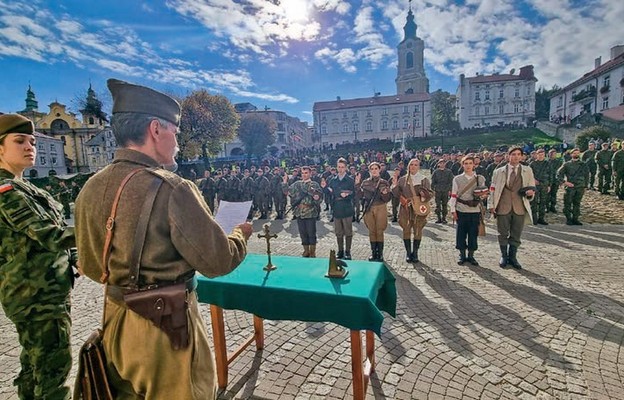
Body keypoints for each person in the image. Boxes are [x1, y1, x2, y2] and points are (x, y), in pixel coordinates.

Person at [74, 79, 253, 399]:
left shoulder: (90, 187)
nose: (178, 141)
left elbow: (89, 265)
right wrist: (239, 233)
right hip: (166, 330)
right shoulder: (173, 188)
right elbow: (218, 261)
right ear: (156, 129)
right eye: (176, 131)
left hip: (115, 320)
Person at [0, 114, 76, 399]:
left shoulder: (24, 188)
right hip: (36, 298)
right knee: (53, 374)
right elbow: (51, 236)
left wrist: (77, 256)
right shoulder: (6, 192)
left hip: (41, 293)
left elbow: (54, 234)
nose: (30, 146)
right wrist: (105, 228)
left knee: (34, 368)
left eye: (32, 141)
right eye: (19, 141)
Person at [489, 147, 536, 269]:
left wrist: (531, 194)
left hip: (519, 206)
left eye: (518, 154)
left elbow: (531, 187)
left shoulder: (527, 170)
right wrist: (491, 205)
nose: (516, 157)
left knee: (516, 233)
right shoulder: (498, 171)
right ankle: (504, 255)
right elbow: (492, 190)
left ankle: (513, 256)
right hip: (503, 206)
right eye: (513, 154)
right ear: (508, 156)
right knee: (502, 232)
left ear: (522, 156)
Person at [391, 158, 432, 263]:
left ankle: (415, 253)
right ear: (408, 166)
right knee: (406, 230)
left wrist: (424, 196)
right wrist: (395, 185)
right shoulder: (403, 179)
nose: (413, 167)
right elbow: (396, 194)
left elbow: (430, 194)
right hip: (406, 208)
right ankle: (409, 253)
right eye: (411, 165)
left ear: (419, 167)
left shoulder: (424, 179)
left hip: (418, 209)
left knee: (418, 230)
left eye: (415, 165)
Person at [449, 155, 487, 266]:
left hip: (475, 210)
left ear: (474, 165)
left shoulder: (480, 178)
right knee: (461, 233)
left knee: (473, 233)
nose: (468, 166)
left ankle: (471, 255)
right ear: (463, 165)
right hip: (461, 209)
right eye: (466, 163)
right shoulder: (457, 179)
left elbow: (483, 193)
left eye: (470, 163)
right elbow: (454, 195)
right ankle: (462, 254)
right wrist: (453, 210)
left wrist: (482, 196)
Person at [355, 162, 392, 261]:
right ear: (370, 170)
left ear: (379, 170)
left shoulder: (384, 182)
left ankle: (380, 254)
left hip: (380, 207)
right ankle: (373, 252)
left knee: (379, 231)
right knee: (371, 231)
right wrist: (357, 184)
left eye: (376, 168)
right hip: (369, 209)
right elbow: (360, 196)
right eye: (372, 169)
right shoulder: (365, 182)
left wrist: (384, 194)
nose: (374, 170)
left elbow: (387, 198)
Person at [283, 166, 323, 257]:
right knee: (303, 233)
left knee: (311, 233)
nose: (304, 175)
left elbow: (319, 199)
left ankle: (312, 252)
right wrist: (285, 182)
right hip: (299, 212)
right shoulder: (297, 184)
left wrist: (316, 197)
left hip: (310, 212)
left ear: (310, 173)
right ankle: (306, 251)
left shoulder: (314, 185)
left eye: (306, 173)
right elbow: (288, 192)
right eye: (303, 173)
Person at [322, 158, 355, 259]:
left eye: (342, 167)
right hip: (336, 207)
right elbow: (329, 192)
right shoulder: (333, 180)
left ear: (346, 168)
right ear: (336, 167)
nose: (340, 169)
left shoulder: (350, 180)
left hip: (346, 207)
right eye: (339, 167)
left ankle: (347, 251)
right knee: (338, 232)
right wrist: (324, 187)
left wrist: (347, 195)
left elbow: (354, 193)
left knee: (348, 231)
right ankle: (340, 251)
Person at [557, 148, 590, 225]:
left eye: (577, 153)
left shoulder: (583, 164)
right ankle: (568, 218)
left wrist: (585, 186)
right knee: (567, 203)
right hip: (570, 187)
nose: (576, 155)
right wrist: (565, 182)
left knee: (577, 203)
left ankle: (575, 218)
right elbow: (558, 174)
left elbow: (587, 175)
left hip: (580, 187)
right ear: (571, 154)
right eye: (574, 153)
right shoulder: (567, 164)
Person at [529, 148, 550, 225]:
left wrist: (549, 185)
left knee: (543, 202)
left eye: (542, 155)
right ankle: (534, 219)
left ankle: (541, 218)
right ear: (536, 155)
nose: (541, 156)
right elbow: (528, 174)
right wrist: (533, 180)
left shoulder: (547, 163)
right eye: (539, 155)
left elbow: (551, 175)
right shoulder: (532, 164)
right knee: (534, 202)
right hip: (535, 186)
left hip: (544, 185)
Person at [430, 159, 454, 224]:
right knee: (438, 205)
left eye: (443, 163)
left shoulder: (449, 172)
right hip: (438, 190)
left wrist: (450, 190)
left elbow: (451, 182)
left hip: (445, 190)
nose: (442, 164)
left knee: (444, 205)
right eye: (441, 163)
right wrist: (433, 190)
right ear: (438, 164)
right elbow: (433, 182)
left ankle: (444, 218)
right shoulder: (435, 172)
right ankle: (438, 218)